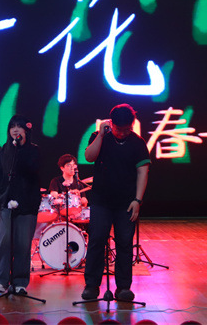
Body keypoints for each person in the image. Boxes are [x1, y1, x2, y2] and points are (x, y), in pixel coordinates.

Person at [81, 104, 150, 302]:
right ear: (111, 123)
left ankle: (123, 288)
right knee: (96, 241)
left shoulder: (137, 143)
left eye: (127, 129)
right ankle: (92, 285)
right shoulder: (99, 137)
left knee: (125, 244)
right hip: (101, 201)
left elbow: (143, 172)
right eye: (119, 129)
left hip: (126, 203)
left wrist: (137, 200)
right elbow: (89, 157)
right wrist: (101, 135)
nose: (123, 133)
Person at [0, 115, 41, 295]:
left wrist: (21, 149)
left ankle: (20, 282)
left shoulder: (33, 150)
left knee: (23, 244)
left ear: (26, 130)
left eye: (19, 126)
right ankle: (0, 281)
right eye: (12, 127)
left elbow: (34, 171)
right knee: (4, 242)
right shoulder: (4, 150)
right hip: (6, 202)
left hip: (27, 203)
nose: (15, 129)